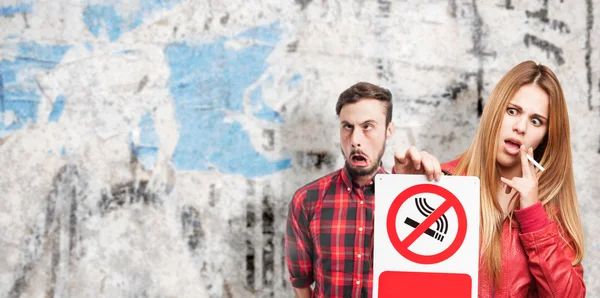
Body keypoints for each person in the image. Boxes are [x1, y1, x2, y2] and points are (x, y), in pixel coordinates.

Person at [441, 61, 585, 297]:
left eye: (536, 121)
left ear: (545, 138)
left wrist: (533, 218)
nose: (520, 127)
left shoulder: (550, 214)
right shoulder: (445, 182)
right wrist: (405, 185)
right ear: (494, 112)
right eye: (512, 111)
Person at [285, 82, 442, 298]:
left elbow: (429, 277)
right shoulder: (307, 200)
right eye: (347, 127)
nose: (356, 141)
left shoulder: (409, 200)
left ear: (389, 131)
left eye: (368, 126)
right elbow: (301, 282)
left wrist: (430, 186)